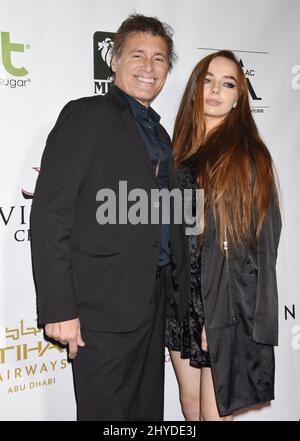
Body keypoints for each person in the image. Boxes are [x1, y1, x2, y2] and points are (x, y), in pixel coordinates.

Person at [30, 14, 190, 421]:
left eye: (159, 59)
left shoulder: (160, 133)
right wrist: (59, 307)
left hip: (151, 305)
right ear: (114, 61)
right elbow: (51, 215)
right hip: (99, 309)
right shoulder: (86, 116)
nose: (148, 68)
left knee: (146, 413)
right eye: (138, 55)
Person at [165, 50, 281, 421]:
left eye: (227, 83)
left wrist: (220, 320)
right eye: (207, 80)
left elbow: (253, 249)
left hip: (220, 303)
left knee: (214, 416)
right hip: (180, 301)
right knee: (191, 406)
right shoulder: (181, 151)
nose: (215, 90)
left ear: (238, 98)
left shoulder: (245, 155)